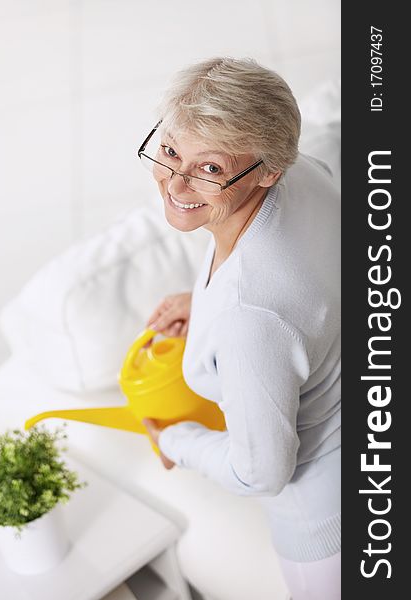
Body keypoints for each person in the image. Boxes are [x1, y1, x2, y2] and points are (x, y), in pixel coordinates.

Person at [139, 57, 341, 600]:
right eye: (172, 149)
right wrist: (203, 305)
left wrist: (175, 440)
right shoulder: (307, 176)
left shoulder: (250, 320)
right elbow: (308, 291)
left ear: (268, 168)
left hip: (331, 527)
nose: (176, 181)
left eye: (209, 168)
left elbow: (261, 473)